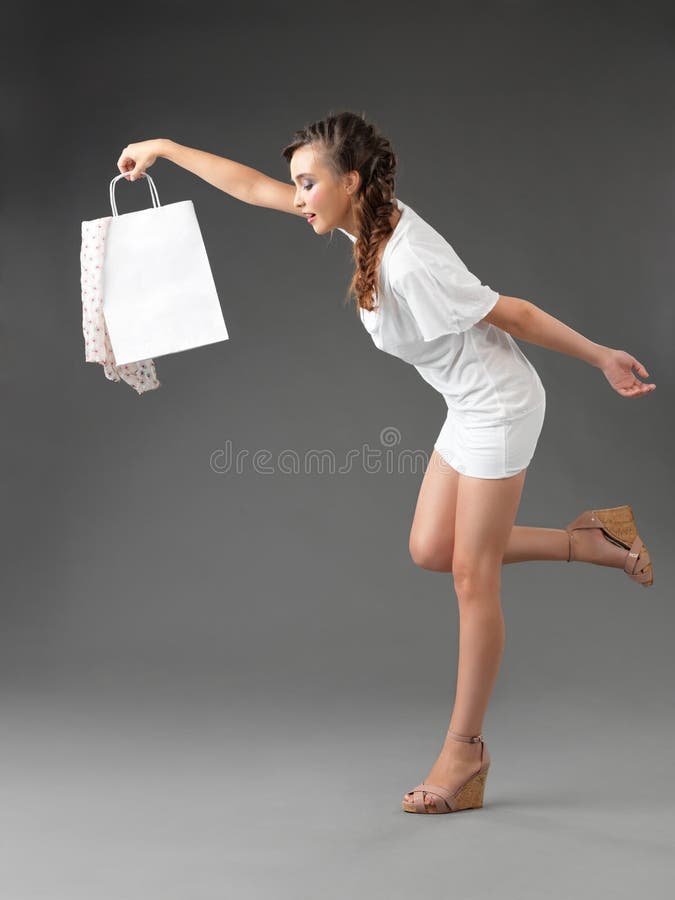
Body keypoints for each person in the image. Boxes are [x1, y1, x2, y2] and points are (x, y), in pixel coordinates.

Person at [116, 110, 656, 816]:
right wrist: (164, 147)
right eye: (298, 185)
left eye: (308, 183)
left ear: (351, 180)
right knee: (432, 548)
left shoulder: (409, 260)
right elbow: (251, 188)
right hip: (466, 404)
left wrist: (600, 358)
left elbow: (515, 314)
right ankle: (591, 542)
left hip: (499, 405)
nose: (298, 196)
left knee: (472, 573)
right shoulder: (360, 221)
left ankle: (464, 751)